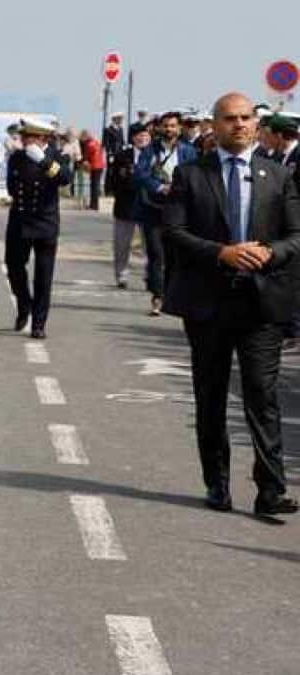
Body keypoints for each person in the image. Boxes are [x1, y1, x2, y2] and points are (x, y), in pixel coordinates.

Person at [162, 92, 300, 517]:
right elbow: (174, 233)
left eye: (245, 118)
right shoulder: (190, 174)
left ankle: (270, 489)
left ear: (256, 125)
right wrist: (220, 253)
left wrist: (270, 253)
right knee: (212, 395)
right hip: (208, 303)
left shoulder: (277, 176)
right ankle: (217, 484)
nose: (239, 125)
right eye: (229, 119)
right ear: (215, 126)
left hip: (262, 304)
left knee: (262, 393)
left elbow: (295, 236)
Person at [4, 117, 73, 339]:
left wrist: (43, 161)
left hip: (45, 221)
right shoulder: (17, 157)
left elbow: (65, 179)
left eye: (28, 137)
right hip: (21, 219)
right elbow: (12, 188)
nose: (24, 140)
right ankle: (24, 305)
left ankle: (39, 322)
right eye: (23, 136)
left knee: (43, 276)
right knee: (14, 266)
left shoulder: (57, 156)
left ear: (42, 138)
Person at [135, 110, 197, 317]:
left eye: (173, 126)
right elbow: (141, 174)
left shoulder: (188, 151)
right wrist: (160, 187)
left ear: (179, 128)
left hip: (177, 211)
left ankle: (170, 295)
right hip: (153, 208)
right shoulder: (150, 150)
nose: (169, 129)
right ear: (160, 127)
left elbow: (195, 176)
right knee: (155, 254)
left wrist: (179, 190)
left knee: (173, 256)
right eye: (166, 126)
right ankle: (157, 296)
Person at [107, 122, 150, 289]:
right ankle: (121, 275)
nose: (143, 138)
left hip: (148, 205)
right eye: (139, 135)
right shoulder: (122, 155)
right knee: (122, 244)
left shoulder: (154, 155)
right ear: (133, 138)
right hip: (126, 205)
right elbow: (114, 179)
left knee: (150, 244)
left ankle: (150, 276)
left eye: (146, 135)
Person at [81, 129, 106, 211]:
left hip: (94, 166)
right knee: (96, 186)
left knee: (94, 186)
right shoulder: (97, 143)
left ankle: (94, 205)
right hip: (100, 166)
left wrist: (84, 161)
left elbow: (87, 155)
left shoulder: (89, 144)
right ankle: (94, 205)